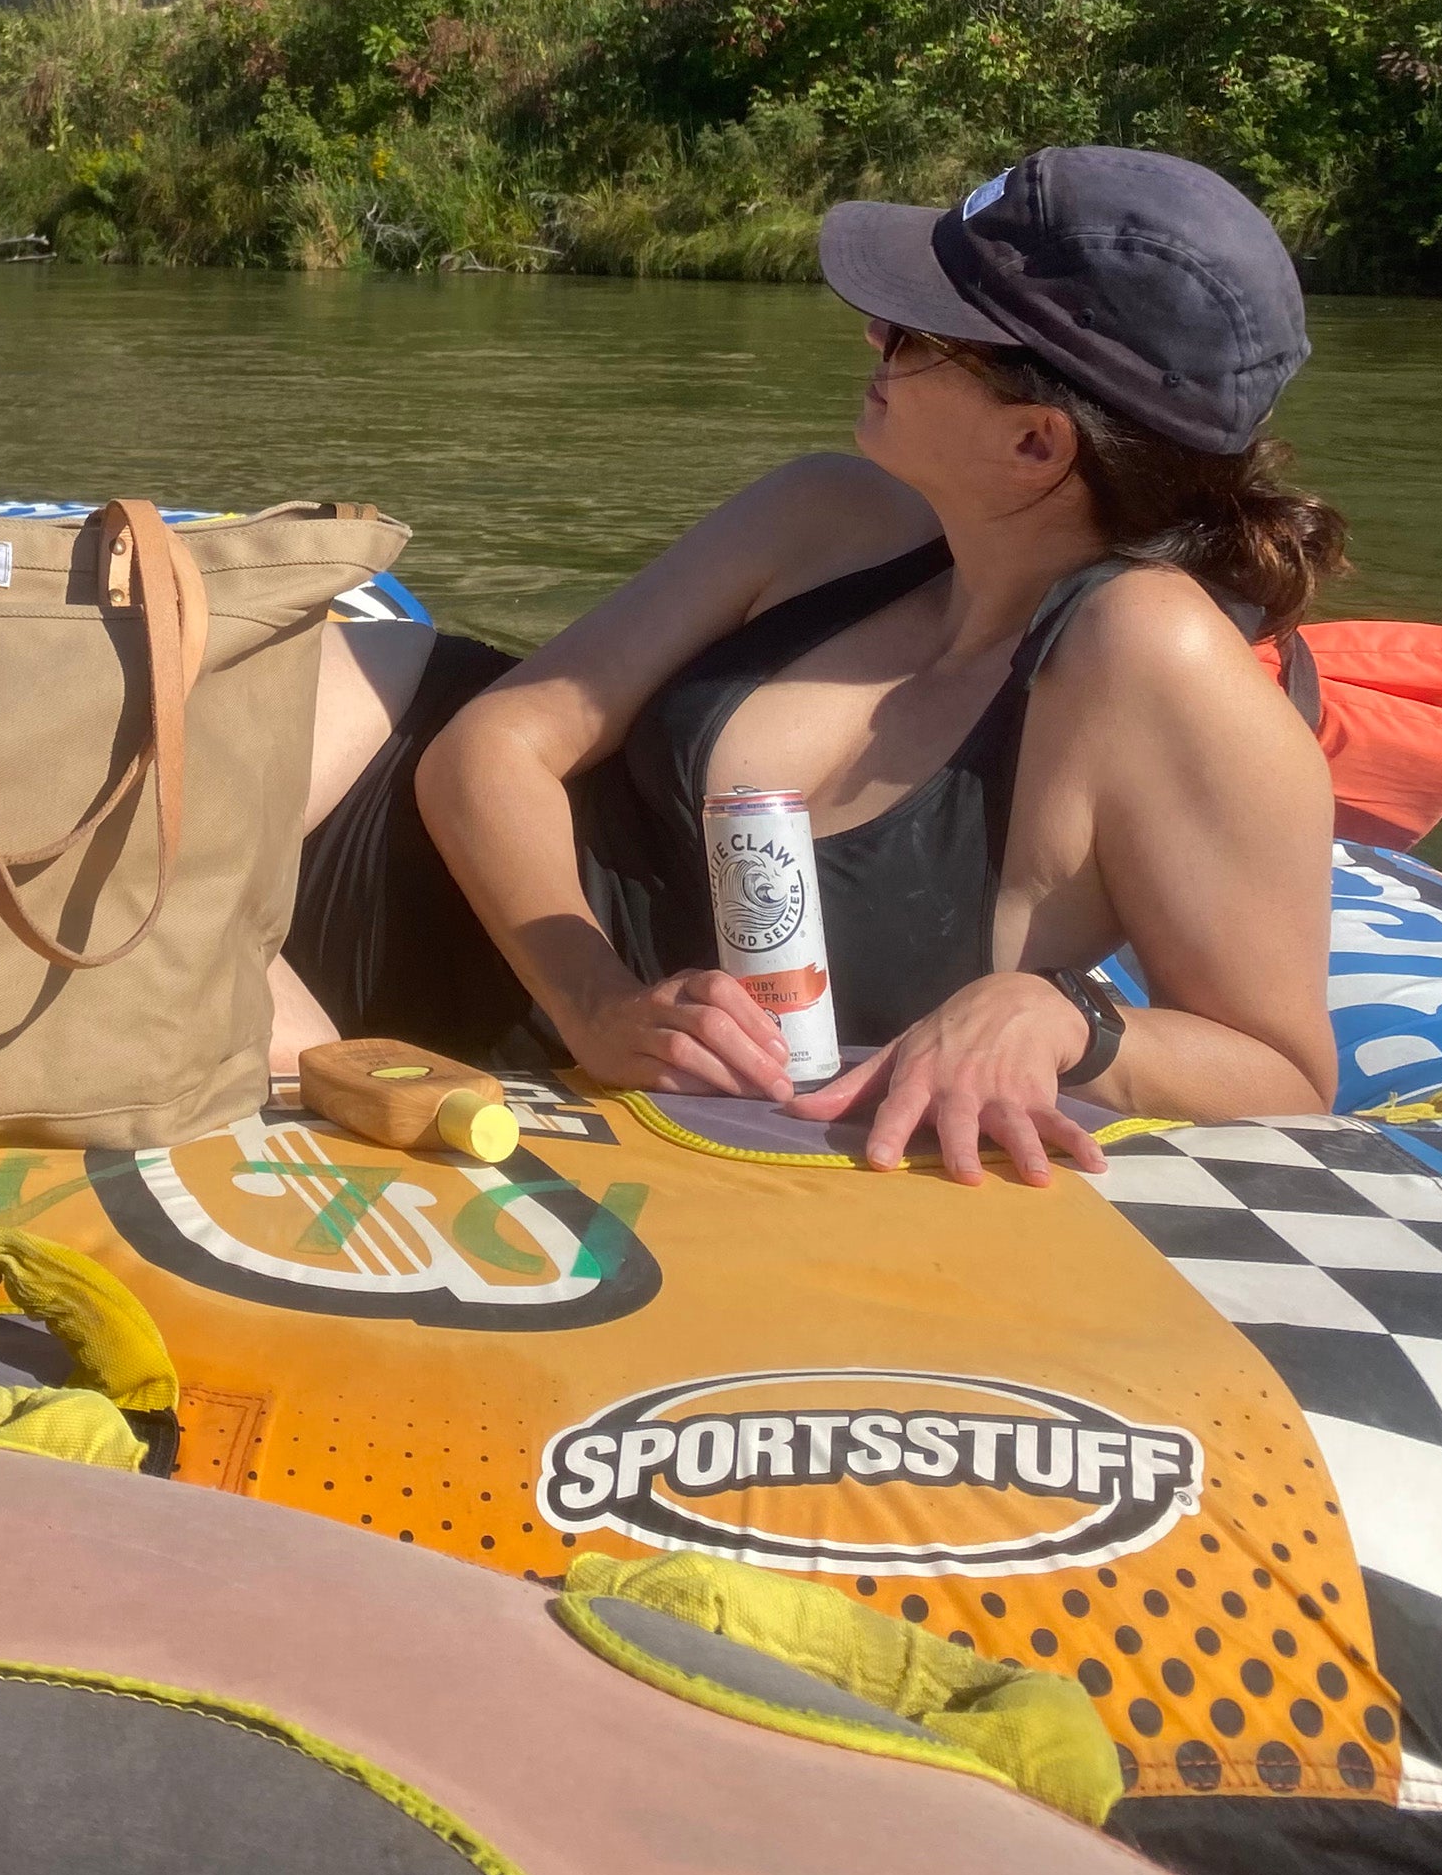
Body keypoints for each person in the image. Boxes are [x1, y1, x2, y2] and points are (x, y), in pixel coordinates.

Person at [281, 147, 1342, 1184]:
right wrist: (594, 1005)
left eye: (918, 337)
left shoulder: (1151, 658)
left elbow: (1287, 1072)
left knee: (159, 990)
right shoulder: (827, 517)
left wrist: (1069, 1017)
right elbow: (491, 744)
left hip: (447, 1048)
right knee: (143, 901)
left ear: (1034, 445)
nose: (873, 335)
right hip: (381, 817)